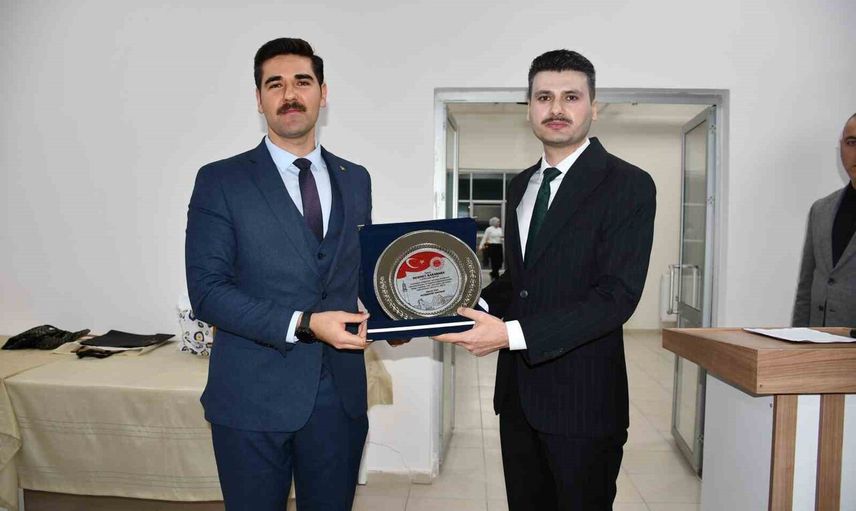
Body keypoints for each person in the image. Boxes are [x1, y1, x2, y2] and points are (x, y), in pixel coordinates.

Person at [435, 49, 656, 510]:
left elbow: (615, 297)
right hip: (517, 399)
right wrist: (456, 306)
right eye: (543, 97)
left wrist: (509, 334)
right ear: (529, 108)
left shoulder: (628, 184)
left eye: (571, 97)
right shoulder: (522, 185)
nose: (556, 108)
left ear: (593, 107)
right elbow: (520, 279)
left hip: (583, 404)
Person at [185, 38, 372, 510]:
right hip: (251, 397)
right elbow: (207, 292)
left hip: (340, 399)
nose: (290, 94)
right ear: (259, 99)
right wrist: (304, 323)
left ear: (323, 93)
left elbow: (355, 275)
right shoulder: (221, 180)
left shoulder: (356, 178)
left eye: (302, 82)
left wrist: (402, 314)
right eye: (275, 84)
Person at [793, 113, 856, 327]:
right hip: (818, 339)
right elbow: (806, 286)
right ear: (841, 147)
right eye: (852, 142)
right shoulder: (820, 210)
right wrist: (798, 339)